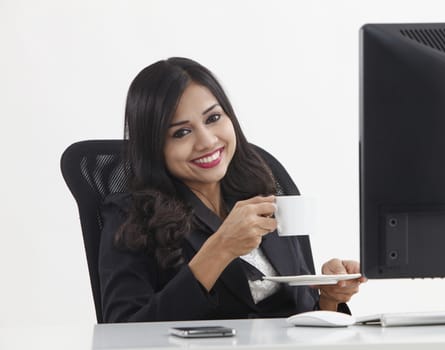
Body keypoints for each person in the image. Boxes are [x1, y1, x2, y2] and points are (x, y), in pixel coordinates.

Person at [99, 57, 366, 322]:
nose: (206, 141)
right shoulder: (131, 216)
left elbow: (302, 320)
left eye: (213, 118)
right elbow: (123, 334)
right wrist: (219, 249)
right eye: (181, 133)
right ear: (154, 147)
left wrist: (330, 298)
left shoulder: (262, 194)